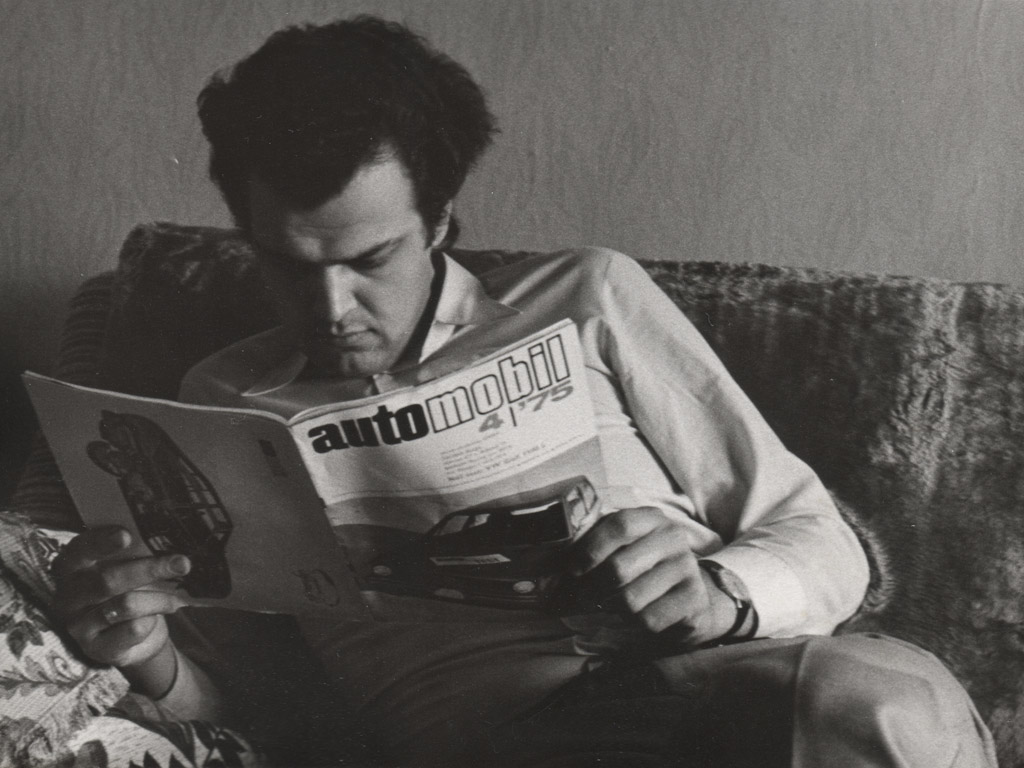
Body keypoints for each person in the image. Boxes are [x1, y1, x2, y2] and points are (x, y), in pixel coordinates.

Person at [51, 15, 997, 767]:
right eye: (288, 265)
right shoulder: (219, 398)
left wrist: (721, 593)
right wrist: (144, 653)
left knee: (866, 706)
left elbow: (821, 541)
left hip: (728, 694)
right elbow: (260, 702)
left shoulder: (589, 297)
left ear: (439, 219)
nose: (332, 309)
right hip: (496, 741)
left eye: (370, 260)